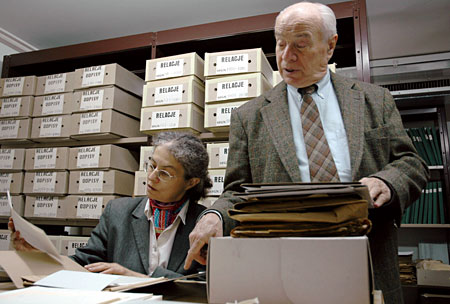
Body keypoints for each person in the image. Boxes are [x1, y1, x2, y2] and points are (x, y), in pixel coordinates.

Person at [184, 2, 429, 303]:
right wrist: (215, 215)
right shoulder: (249, 117)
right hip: (281, 269)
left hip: (369, 258)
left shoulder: (374, 100)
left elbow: (411, 164)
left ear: (330, 46)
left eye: (300, 45)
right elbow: (237, 191)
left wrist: (386, 182)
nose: (286, 57)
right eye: (281, 44)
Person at [9, 131, 212, 279]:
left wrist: (136, 278)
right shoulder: (118, 212)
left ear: (191, 182)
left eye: (164, 173)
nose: (151, 177)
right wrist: (38, 255)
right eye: (151, 165)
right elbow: (83, 264)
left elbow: (204, 285)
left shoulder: (206, 224)